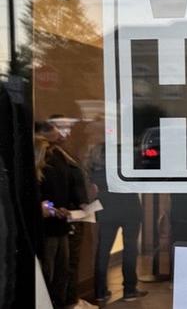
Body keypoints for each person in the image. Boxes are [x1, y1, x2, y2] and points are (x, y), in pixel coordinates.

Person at [86, 142, 147, 304]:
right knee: (130, 249)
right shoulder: (128, 169)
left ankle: (99, 292)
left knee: (103, 250)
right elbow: (141, 182)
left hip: (106, 210)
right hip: (130, 210)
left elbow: (93, 187)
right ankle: (129, 290)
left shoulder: (96, 169)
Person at [35, 121, 79, 308]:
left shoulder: (59, 157)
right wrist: (50, 208)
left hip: (60, 222)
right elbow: (42, 195)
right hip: (47, 227)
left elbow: (59, 190)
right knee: (49, 272)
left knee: (61, 271)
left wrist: (62, 207)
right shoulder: (41, 162)